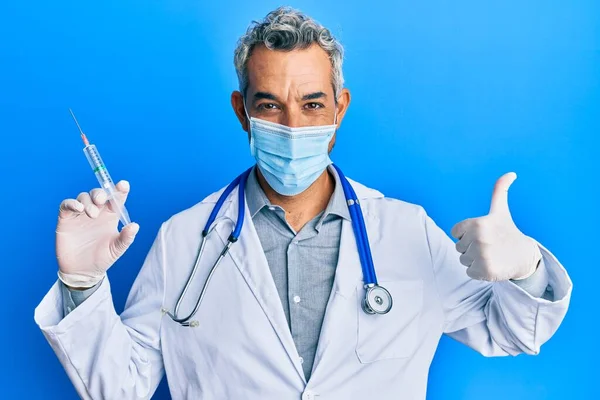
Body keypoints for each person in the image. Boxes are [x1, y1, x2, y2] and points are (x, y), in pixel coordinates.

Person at [34, 6, 572, 400]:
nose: (293, 126)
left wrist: (523, 270)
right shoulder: (183, 240)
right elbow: (117, 388)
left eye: (313, 104)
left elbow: (509, 333)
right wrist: (81, 285)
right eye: (270, 104)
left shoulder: (407, 232)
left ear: (340, 107)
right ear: (242, 112)